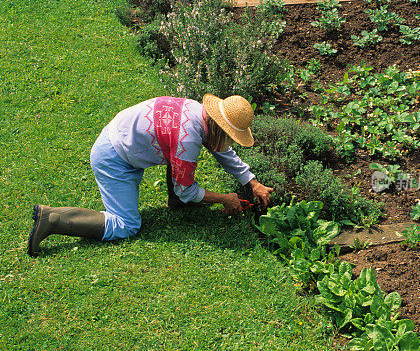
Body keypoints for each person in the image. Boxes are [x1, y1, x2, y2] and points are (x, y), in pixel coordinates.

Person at [27, 93, 273, 257]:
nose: (230, 143)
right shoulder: (188, 138)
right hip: (114, 159)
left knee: (179, 164)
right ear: (219, 127)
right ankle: (52, 219)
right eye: (230, 137)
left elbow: (221, 151)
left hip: (122, 141)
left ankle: (177, 205)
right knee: (125, 225)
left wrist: (252, 182)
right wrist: (224, 198)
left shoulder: (197, 112)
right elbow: (185, 188)